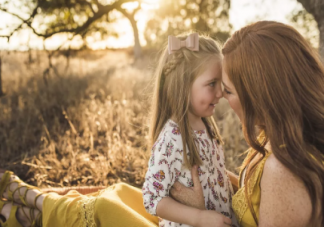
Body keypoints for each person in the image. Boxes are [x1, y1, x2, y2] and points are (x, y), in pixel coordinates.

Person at [170, 21, 324, 227]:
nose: (222, 97)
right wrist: (209, 175)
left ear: (260, 96)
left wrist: (200, 212)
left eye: (229, 90)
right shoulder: (283, 132)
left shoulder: (284, 171)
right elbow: (255, 195)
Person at [142, 33, 238, 227]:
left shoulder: (205, 124)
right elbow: (152, 197)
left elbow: (213, 171)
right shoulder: (171, 138)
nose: (220, 92)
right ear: (183, 86)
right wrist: (199, 218)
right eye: (212, 84)